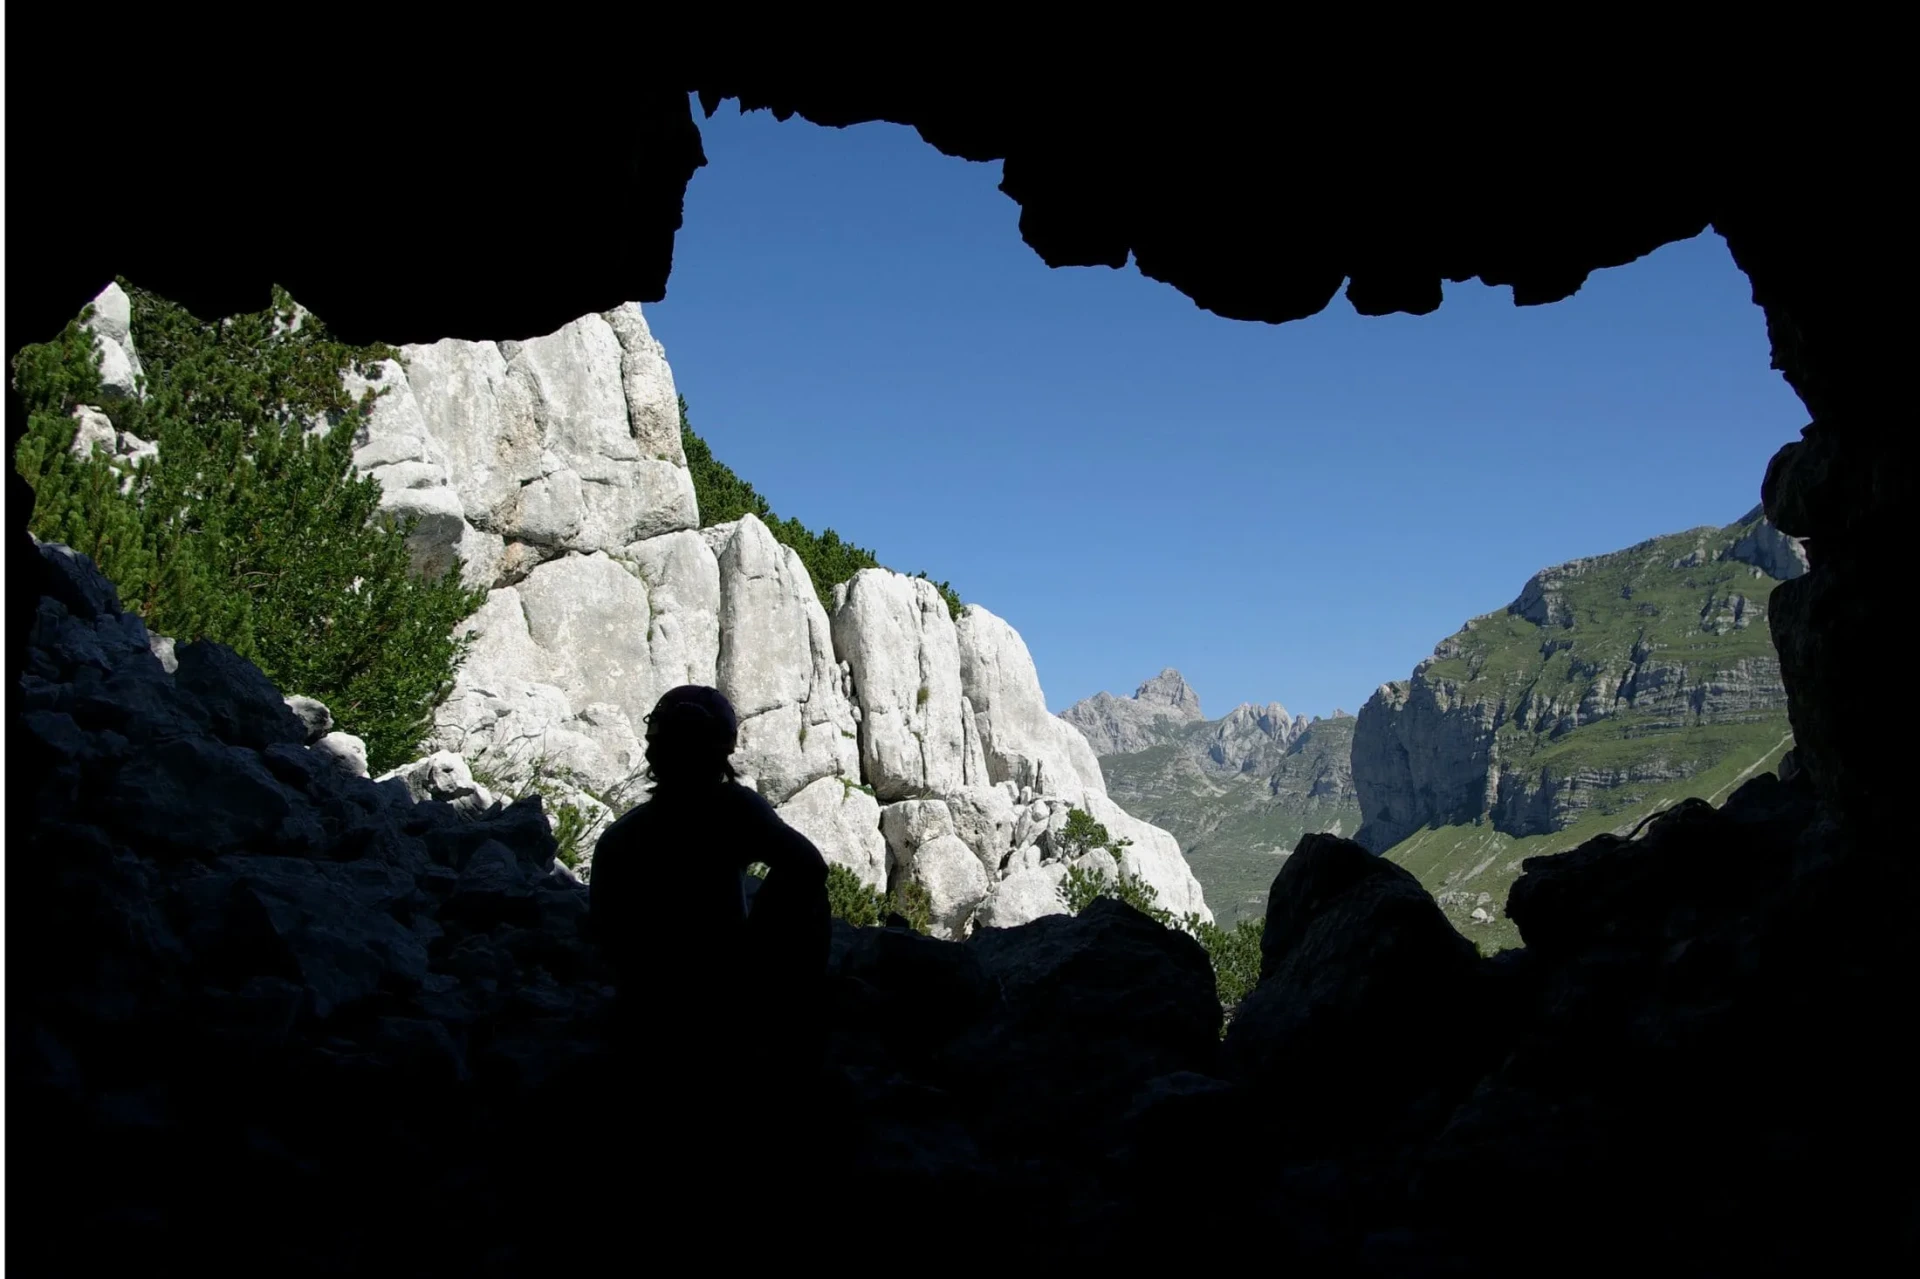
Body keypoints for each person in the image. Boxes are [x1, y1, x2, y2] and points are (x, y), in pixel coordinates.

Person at [587, 685, 832, 1142]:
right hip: (727, 998)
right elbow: (808, 867)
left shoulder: (623, 836)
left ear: (653, 749)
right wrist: (760, 939)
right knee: (810, 900)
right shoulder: (735, 811)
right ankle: (796, 1043)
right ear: (721, 752)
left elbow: (604, 936)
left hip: (646, 1009)